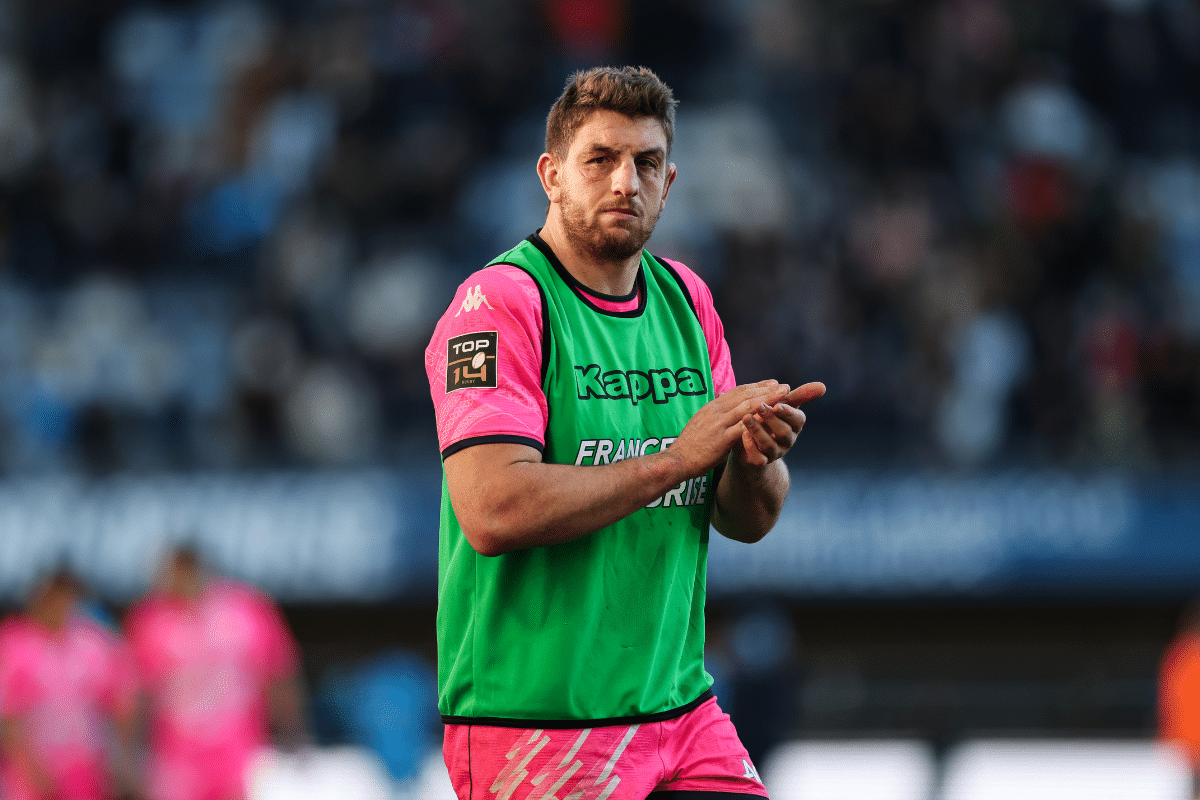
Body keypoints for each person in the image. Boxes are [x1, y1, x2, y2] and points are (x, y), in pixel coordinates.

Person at [424, 66, 825, 799]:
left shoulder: (686, 298)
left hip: (681, 709)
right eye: (600, 160)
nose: (624, 183)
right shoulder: (498, 303)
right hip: (538, 725)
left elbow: (748, 519)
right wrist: (674, 461)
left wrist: (755, 458)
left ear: (669, 183)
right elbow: (492, 509)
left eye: (645, 164)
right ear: (551, 175)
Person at [123, 545, 307, 800]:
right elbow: (135, 697)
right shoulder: (150, 618)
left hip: (240, 754)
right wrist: (131, 758)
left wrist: (294, 735)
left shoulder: (246, 608)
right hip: (177, 764)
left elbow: (278, 675)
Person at [0, 568, 140, 800]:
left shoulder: (93, 641)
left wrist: (120, 760)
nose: (59, 605)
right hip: (31, 772)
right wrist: (31, 768)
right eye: (53, 597)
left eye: (66, 596)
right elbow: (9, 717)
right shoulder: (13, 643)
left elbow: (122, 699)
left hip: (86, 767)